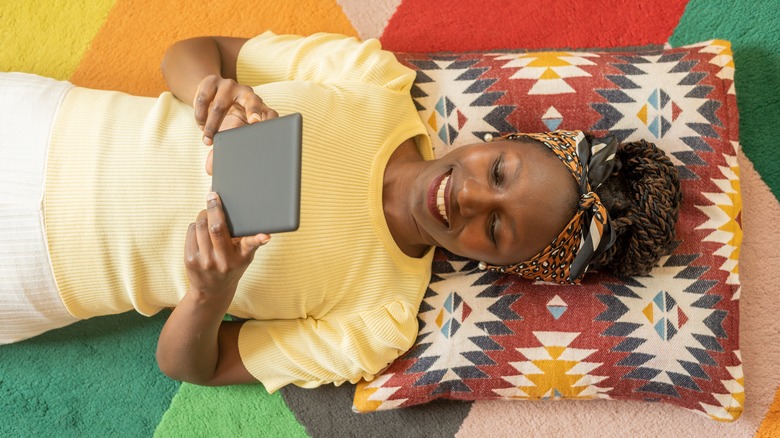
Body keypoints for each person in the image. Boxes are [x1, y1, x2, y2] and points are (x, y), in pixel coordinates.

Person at [0, 31, 681, 392]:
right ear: (501, 138)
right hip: (42, 125)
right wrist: (213, 89)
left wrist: (211, 292)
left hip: (33, 277)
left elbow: (193, 368)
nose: (471, 196)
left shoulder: (378, 321)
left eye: (497, 228)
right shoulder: (373, 81)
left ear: (504, 267)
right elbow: (195, 49)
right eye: (499, 171)